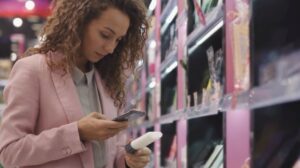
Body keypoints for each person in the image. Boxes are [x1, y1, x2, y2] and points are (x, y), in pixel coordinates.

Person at [0, 0, 151, 167]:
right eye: (105, 35)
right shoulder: (32, 70)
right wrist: (77, 133)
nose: (110, 48)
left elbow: (110, 153)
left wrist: (127, 160)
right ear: (80, 22)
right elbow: (9, 152)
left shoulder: (107, 81)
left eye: (118, 40)